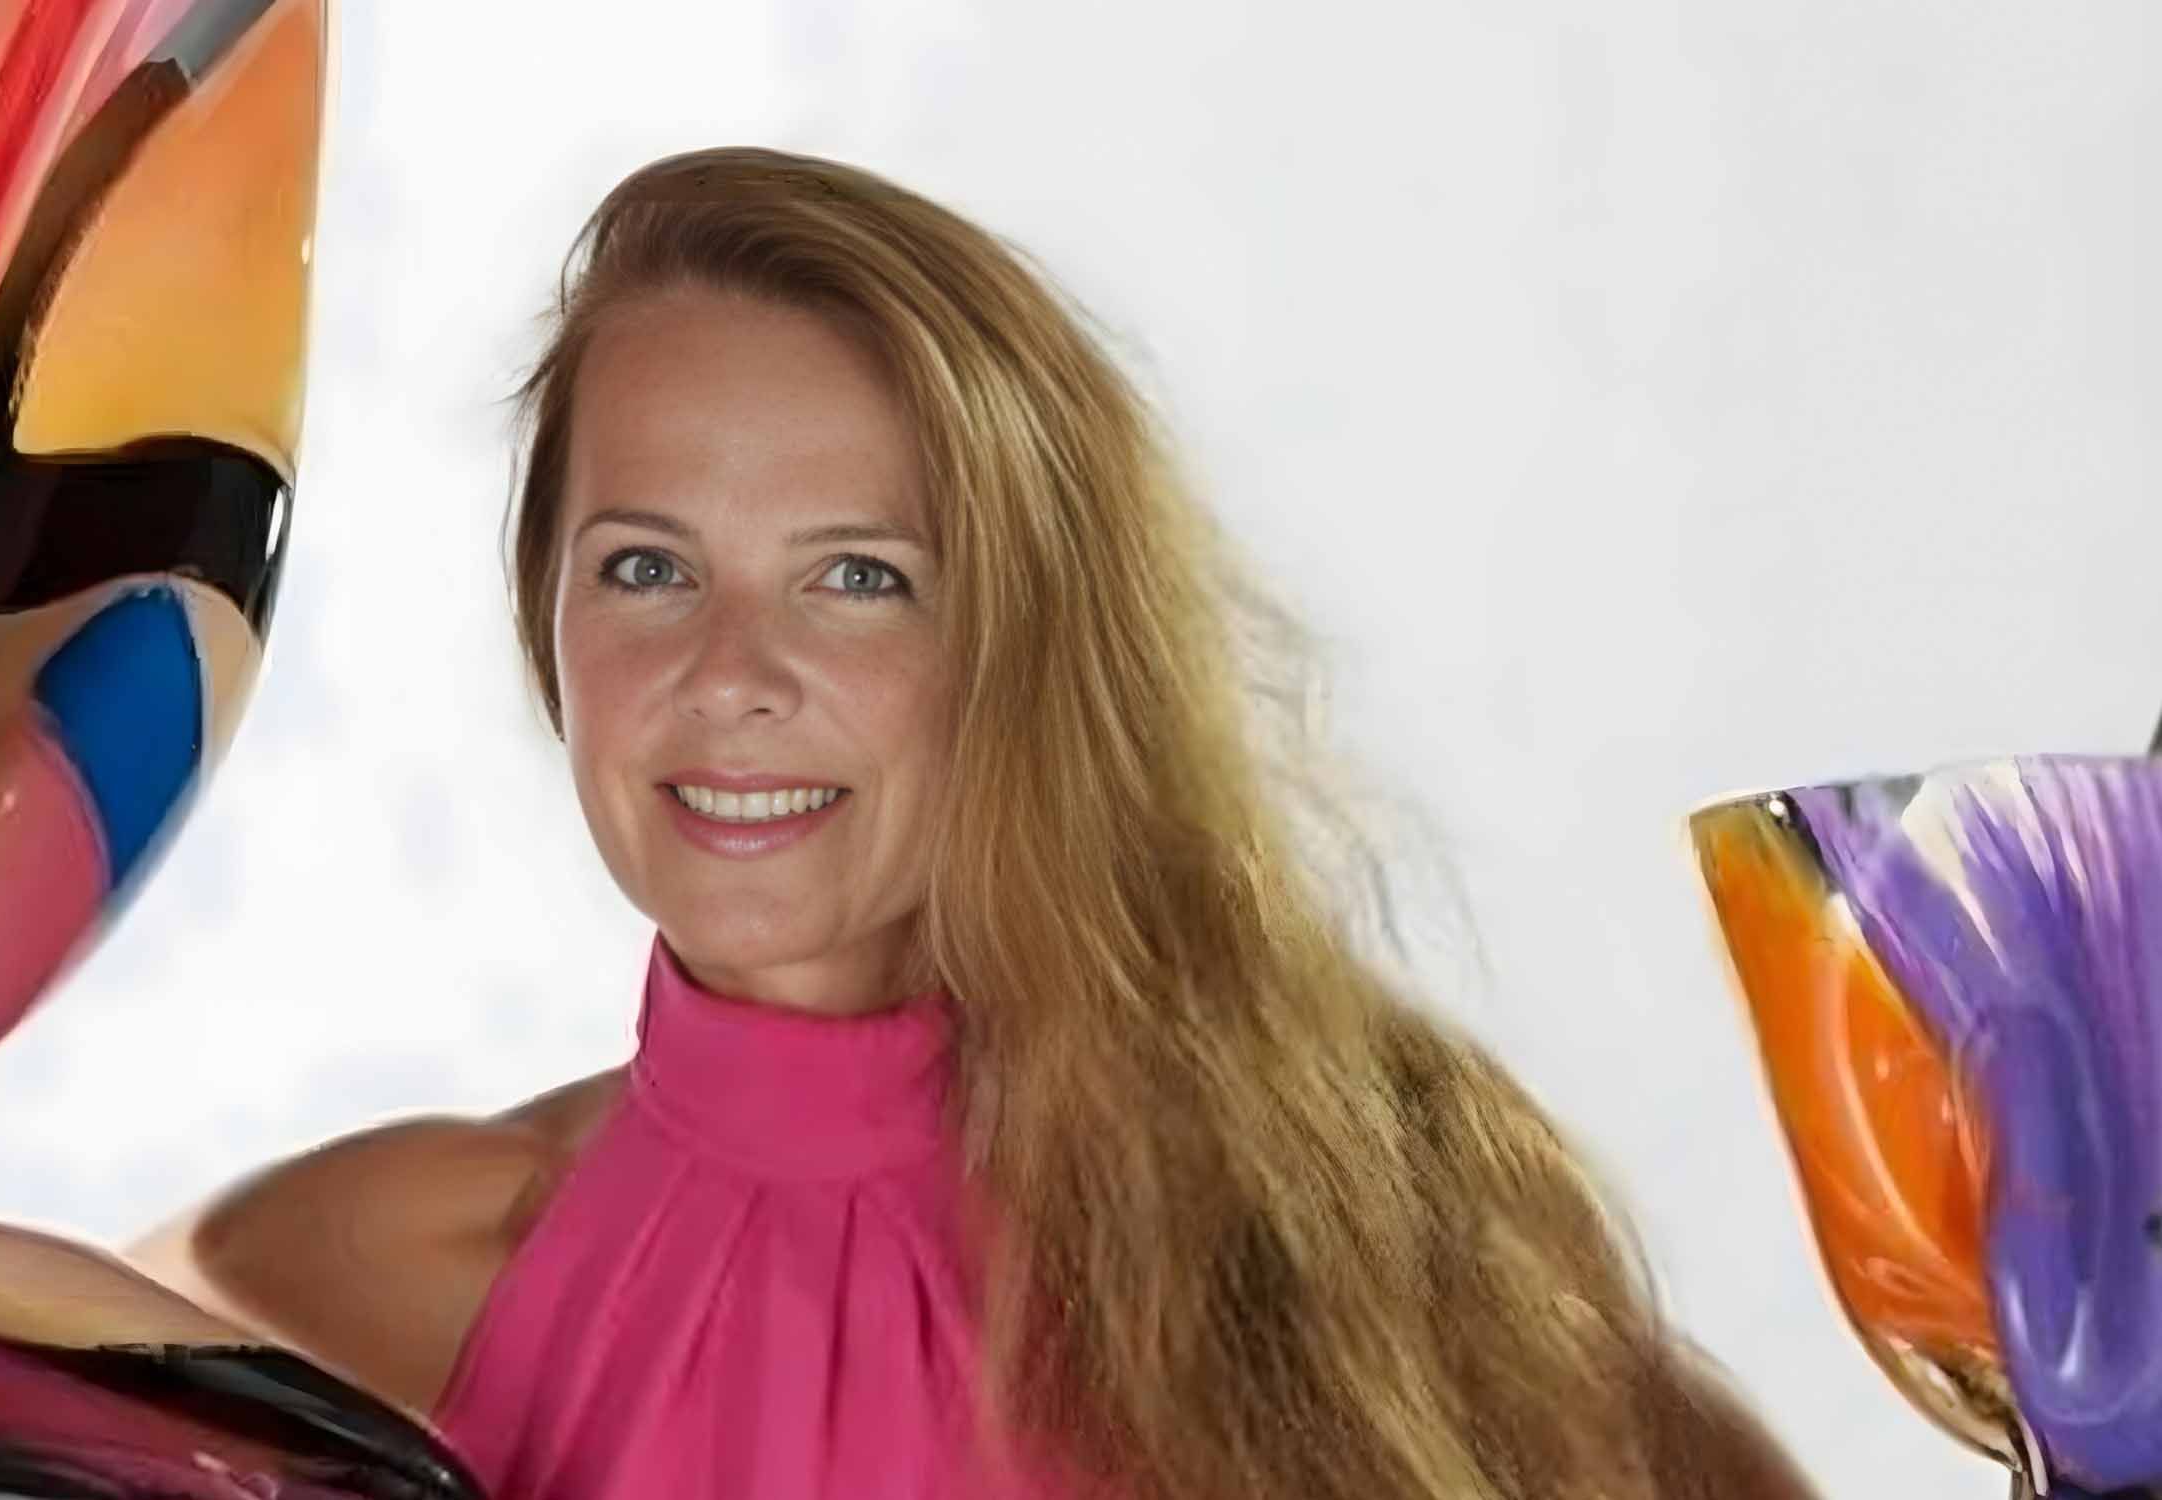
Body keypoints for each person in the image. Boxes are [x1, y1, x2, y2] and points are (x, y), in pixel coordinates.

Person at [131, 146, 1820, 1500]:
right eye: (646, 567)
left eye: (860, 578)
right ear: (544, 619)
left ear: (1033, 641)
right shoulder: (345, 1280)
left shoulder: (1361, 1234)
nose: (730, 675)